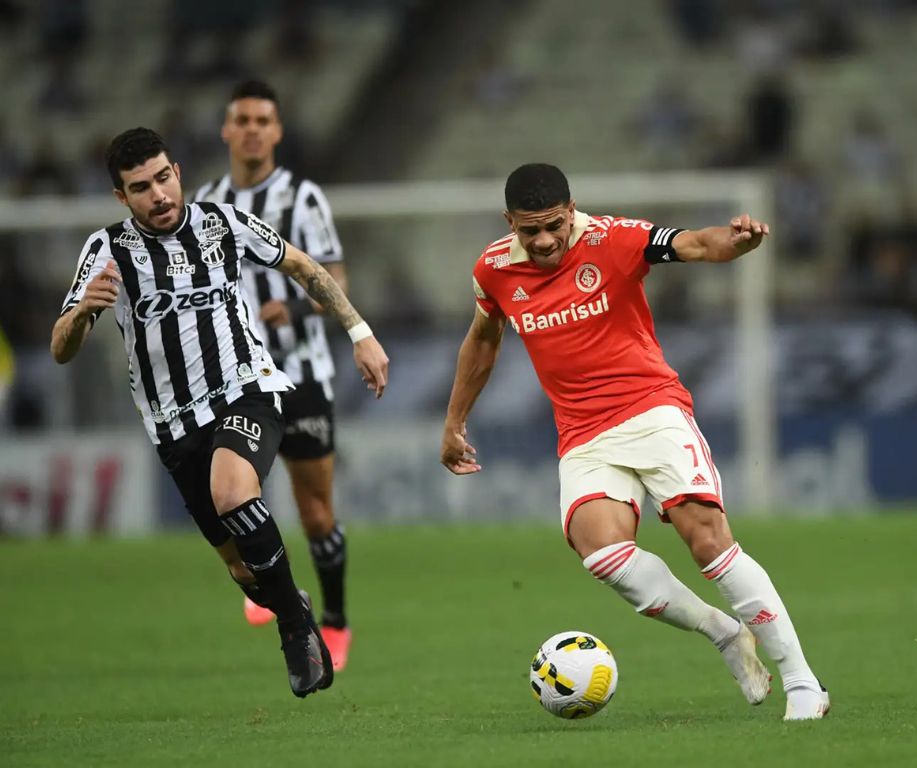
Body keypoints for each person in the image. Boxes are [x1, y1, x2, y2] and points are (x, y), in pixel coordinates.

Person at [440, 163, 829, 721]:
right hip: (582, 434)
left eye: (554, 225)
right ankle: (721, 631)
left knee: (706, 539)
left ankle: (802, 684)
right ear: (510, 224)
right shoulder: (494, 270)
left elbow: (695, 244)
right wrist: (454, 421)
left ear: (571, 211)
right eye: (531, 231)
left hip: (652, 411)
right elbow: (482, 340)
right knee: (600, 550)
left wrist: (737, 241)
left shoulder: (615, 239)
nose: (545, 240)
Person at [51, 127, 389, 697]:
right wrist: (83, 311)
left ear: (177, 171)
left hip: (247, 390)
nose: (158, 195)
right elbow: (61, 348)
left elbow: (304, 266)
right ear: (121, 197)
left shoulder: (222, 223)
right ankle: (286, 599)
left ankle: (293, 627)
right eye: (141, 188)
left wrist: (360, 332)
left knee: (234, 491)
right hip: (173, 426)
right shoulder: (104, 251)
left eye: (163, 178)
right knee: (244, 571)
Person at [194, 80, 353, 670]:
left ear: (278, 131)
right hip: (233, 380)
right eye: (244, 119)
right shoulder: (204, 203)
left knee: (315, 510)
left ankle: (336, 622)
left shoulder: (303, 197)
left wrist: (296, 305)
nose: (254, 128)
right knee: (233, 496)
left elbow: (335, 275)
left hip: (302, 370)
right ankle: (275, 589)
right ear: (227, 130)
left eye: (265, 119)